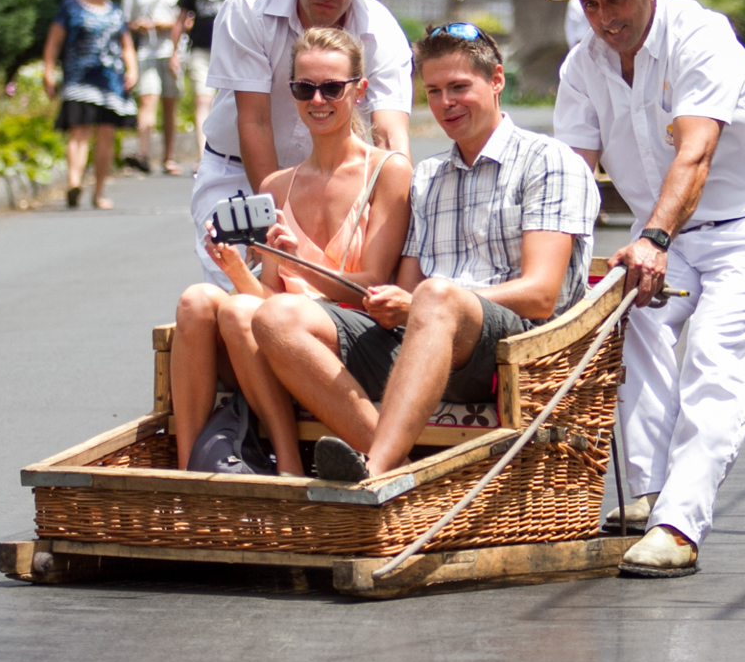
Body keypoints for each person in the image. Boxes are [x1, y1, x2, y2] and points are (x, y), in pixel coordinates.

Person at [553, 0, 745, 578]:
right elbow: (574, 180)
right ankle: (645, 495)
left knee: (715, 364)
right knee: (626, 318)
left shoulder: (701, 35)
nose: (608, 16)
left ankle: (678, 525)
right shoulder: (582, 66)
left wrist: (654, 241)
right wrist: (566, 264)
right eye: (593, 4)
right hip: (664, 235)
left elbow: (695, 153)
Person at [250, 24, 600, 482]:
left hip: (515, 352)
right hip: (422, 335)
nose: (445, 104)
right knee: (275, 316)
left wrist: (423, 301)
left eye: (459, 87)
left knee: (438, 295)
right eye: (433, 91)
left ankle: (378, 469)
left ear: (497, 80)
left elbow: (541, 296)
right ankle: (391, 458)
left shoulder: (549, 161)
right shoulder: (430, 176)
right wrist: (393, 301)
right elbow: (405, 290)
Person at [170, 27, 412, 473]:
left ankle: (287, 466)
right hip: (279, 326)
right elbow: (267, 295)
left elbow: (374, 287)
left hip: (353, 332)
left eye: (332, 88)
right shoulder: (277, 185)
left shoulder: (387, 170)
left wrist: (296, 257)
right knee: (199, 300)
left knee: (247, 312)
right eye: (305, 88)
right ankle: (189, 471)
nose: (317, 100)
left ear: (359, 91)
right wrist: (235, 265)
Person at [191, 0, 413, 287]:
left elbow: (391, 137)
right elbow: (255, 120)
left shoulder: (381, 31)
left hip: (329, 182)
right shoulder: (249, 6)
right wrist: (269, 218)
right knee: (241, 298)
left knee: (333, 295)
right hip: (238, 172)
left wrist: (397, 219)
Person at [42, 0, 137, 210]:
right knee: (79, 131)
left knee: (106, 134)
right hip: (79, 79)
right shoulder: (70, 7)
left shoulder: (115, 11)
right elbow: (54, 42)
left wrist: (133, 69)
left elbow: (126, 45)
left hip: (110, 82)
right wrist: (48, 70)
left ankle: (99, 192)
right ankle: (74, 182)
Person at [171, 0, 246, 164]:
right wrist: (174, 52)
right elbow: (181, 18)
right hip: (201, 49)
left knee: (233, 102)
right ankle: (205, 156)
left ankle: (230, 153)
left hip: (232, 50)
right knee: (202, 99)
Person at [121, 0, 186, 174]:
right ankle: (143, 153)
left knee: (170, 103)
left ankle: (169, 157)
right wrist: (137, 26)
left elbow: (188, 21)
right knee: (148, 99)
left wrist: (165, 25)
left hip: (171, 52)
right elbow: (124, 21)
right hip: (146, 51)